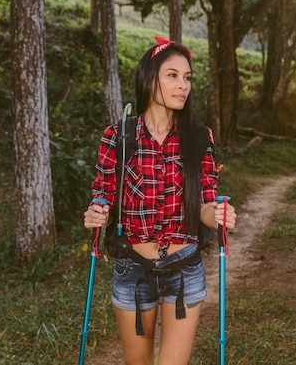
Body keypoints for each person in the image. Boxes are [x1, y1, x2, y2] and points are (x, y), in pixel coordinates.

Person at [84, 36, 236, 365]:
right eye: (172, 75)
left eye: (187, 78)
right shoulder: (118, 136)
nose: (183, 85)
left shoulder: (199, 136)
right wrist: (97, 213)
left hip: (184, 269)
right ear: (148, 77)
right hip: (133, 269)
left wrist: (218, 214)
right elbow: (104, 195)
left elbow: (205, 203)